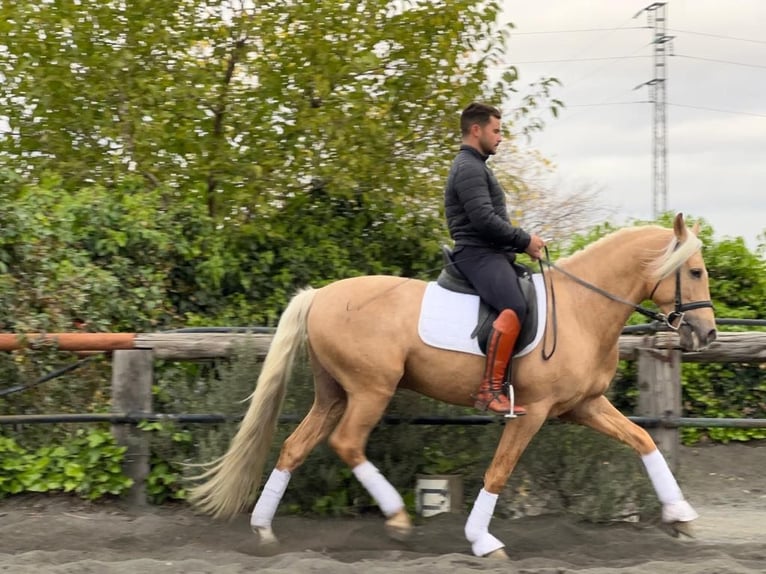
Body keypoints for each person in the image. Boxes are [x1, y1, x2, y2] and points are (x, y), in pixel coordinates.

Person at [444, 102, 546, 415]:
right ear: (476, 130)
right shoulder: (469, 168)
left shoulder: (477, 167)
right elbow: (484, 220)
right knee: (514, 305)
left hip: (489, 253)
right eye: (496, 131)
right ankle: (489, 388)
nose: (500, 137)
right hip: (477, 254)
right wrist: (524, 240)